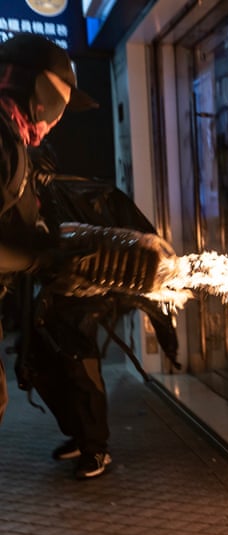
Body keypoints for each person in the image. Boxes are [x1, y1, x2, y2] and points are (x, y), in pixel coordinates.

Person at [0, 33, 173, 472]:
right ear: (36, 93)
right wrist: (41, 257)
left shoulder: (15, 142)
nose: (57, 121)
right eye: (57, 105)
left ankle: (91, 440)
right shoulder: (3, 140)